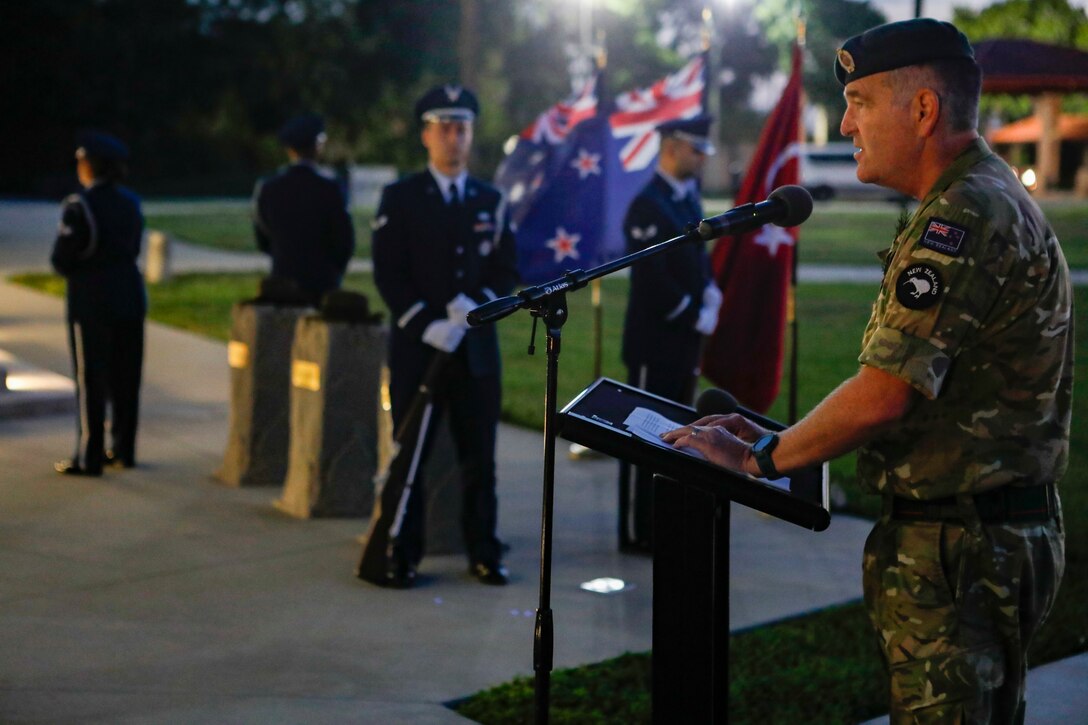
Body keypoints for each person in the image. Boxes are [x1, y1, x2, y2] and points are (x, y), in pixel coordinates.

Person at [664, 19, 1070, 723]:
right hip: (981, 533)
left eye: (861, 101)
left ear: (922, 109)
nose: (847, 122)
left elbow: (886, 392)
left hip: (958, 548)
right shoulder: (977, 195)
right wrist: (782, 433)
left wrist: (760, 456)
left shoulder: (964, 215)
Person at [371, 84, 519, 588]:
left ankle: (484, 549)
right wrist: (425, 321)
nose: (455, 138)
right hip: (420, 351)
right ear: (426, 135)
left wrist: (477, 307)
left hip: (476, 354)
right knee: (410, 454)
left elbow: (506, 269)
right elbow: (389, 273)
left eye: (463, 129)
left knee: (479, 458)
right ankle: (401, 550)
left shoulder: (490, 200)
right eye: (446, 128)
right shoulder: (401, 197)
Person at [618, 115, 722, 553]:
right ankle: (638, 529)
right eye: (695, 149)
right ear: (673, 146)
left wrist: (710, 291)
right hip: (654, 341)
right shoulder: (648, 204)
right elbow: (650, 277)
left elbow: (696, 260)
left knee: (678, 433)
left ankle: (663, 520)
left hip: (681, 340)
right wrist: (692, 311)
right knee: (645, 436)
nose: (701, 158)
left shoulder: (684, 198)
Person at [51, 131, 147, 476]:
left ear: (89, 165)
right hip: (130, 296)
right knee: (126, 376)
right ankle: (124, 449)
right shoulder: (131, 202)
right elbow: (134, 247)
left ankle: (89, 456)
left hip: (92, 300)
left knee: (91, 377)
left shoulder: (79, 206)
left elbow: (62, 258)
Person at [252, 113, 355, 305]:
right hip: (322, 285)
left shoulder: (269, 187)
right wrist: (332, 272)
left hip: (282, 283)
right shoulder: (330, 188)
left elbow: (263, 238)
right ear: (317, 146)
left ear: (290, 150)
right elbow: (344, 241)